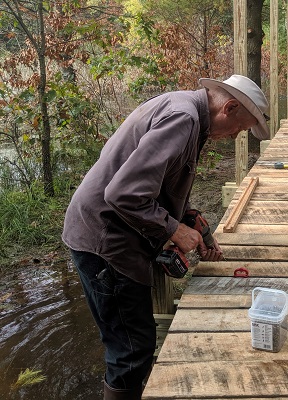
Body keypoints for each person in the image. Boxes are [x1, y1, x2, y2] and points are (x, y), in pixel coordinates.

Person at [62, 75, 269, 399]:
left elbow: (160, 183)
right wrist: (173, 228)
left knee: (134, 341)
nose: (235, 136)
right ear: (228, 107)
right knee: (131, 349)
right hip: (105, 240)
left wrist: (190, 219)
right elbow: (124, 194)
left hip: (109, 231)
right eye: (240, 129)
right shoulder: (182, 119)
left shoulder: (188, 114)